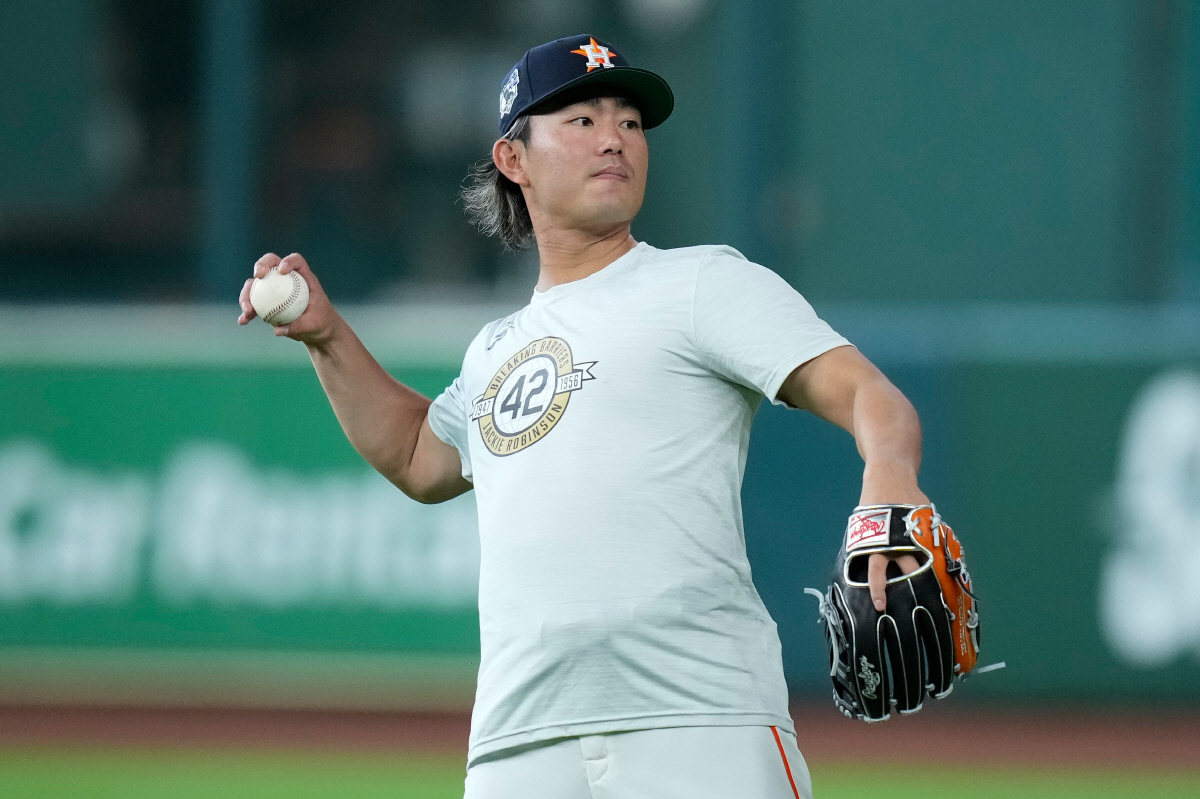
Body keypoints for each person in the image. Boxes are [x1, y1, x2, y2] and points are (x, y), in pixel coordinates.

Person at [238, 34, 926, 799]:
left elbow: (870, 396)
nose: (615, 138)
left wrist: (888, 483)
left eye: (630, 123)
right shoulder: (494, 350)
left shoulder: (703, 283)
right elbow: (413, 454)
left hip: (699, 722)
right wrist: (327, 336)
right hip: (518, 740)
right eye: (582, 119)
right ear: (514, 159)